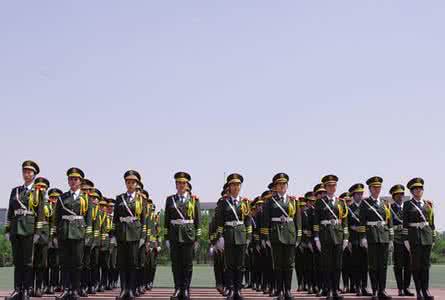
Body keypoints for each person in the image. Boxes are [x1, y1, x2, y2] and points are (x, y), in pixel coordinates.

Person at [5, 160, 44, 300]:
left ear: (34, 175)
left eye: (29, 172)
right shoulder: (15, 191)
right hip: (16, 228)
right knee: (18, 261)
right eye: (24, 171)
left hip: (28, 229)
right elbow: (10, 212)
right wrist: (8, 230)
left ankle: (26, 289)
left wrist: (37, 232)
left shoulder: (38, 192)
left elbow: (40, 214)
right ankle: (17, 289)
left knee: (28, 262)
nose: (26, 174)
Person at [262, 173, 301, 300]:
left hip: (290, 235)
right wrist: (266, 238)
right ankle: (279, 291)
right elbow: (265, 221)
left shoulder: (294, 201)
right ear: (275, 186)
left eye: (284, 184)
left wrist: (298, 237)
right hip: (276, 234)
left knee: (289, 265)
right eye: (279, 184)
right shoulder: (270, 202)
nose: (282, 186)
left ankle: (288, 290)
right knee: (278, 265)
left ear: (287, 185)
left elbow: (298, 222)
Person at [56, 168, 93, 300]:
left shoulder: (86, 199)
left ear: (80, 181)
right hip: (64, 232)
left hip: (78, 233)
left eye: (75, 179)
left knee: (77, 263)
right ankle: (65, 289)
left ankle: (75, 289)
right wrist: (56, 234)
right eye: (71, 179)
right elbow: (57, 218)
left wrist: (88, 235)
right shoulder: (62, 198)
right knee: (65, 263)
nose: (73, 181)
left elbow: (88, 219)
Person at [214, 174, 252, 300]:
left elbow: (248, 221)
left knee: (240, 265)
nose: (235, 187)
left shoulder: (245, 202)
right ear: (229, 187)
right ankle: (230, 289)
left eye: (237, 185)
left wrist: (249, 236)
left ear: (240, 187)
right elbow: (219, 221)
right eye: (233, 185)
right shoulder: (223, 202)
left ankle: (238, 290)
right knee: (229, 265)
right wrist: (220, 237)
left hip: (241, 235)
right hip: (228, 234)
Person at [164, 172, 201, 300]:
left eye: (183, 183)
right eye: (179, 183)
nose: (181, 185)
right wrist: (166, 238)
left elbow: (198, 221)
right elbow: (166, 221)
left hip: (188, 235)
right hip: (174, 235)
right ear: (175, 185)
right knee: (176, 264)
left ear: (187, 185)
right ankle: (177, 288)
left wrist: (197, 238)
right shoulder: (170, 199)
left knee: (187, 264)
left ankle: (185, 289)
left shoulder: (194, 200)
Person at [313, 175, 348, 300]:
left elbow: (344, 221)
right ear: (325, 187)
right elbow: (316, 222)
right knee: (327, 265)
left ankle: (335, 290)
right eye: (329, 186)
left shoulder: (341, 202)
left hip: (338, 236)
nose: (332, 188)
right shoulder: (319, 202)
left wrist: (346, 237)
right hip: (325, 236)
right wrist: (316, 238)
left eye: (334, 185)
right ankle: (328, 290)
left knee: (337, 265)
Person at [359, 176, 393, 300]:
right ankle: (374, 290)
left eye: (379, 187)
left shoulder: (385, 203)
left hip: (383, 236)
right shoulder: (365, 203)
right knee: (373, 265)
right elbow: (362, 221)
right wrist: (363, 237)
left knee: (383, 265)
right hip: (371, 236)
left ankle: (382, 290)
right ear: (370, 189)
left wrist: (391, 238)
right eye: (374, 187)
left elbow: (389, 222)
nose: (377, 189)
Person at [114, 170, 146, 300]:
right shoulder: (119, 198)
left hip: (134, 234)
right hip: (122, 233)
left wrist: (143, 236)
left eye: (133, 182)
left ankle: (131, 290)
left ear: (136, 183)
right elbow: (115, 219)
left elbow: (143, 220)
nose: (130, 184)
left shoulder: (141, 199)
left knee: (133, 263)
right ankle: (123, 289)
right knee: (122, 263)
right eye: (128, 182)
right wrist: (114, 235)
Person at [403, 178, 435, 300]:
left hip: (426, 237)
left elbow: (431, 223)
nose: (418, 191)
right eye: (416, 189)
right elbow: (405, 224)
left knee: (426, 265)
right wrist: (406, 239)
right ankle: (419, 291)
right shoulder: (407, 205)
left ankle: (426, 289)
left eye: (420, 189)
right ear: (411, 191)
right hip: (414, 238)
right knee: (416, 266)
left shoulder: (428, 204)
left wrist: (433, 237)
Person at [347, 183, 371, 297]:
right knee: (356, 265)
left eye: (361, 193)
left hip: (365, 238)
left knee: (365, 265)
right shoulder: (349, 209)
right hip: (354, 239)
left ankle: (364, 286)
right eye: (358, 194)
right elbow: (346, 225)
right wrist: (349, 241)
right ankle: (357, 287)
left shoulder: (366, 206)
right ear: (353, 195)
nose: (360, 195)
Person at [389, 184, 413, 296]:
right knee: (398, 265)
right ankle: (400, 288)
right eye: (397, 195)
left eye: (402, 194)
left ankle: (406, 287)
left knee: (409, 265)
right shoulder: (390, 208)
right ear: (393, 197)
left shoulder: (408, 206)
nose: (400, 197)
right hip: (397, 239)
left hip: (408, 238)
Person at [32, 177, 51, 297]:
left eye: (43, 187)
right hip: (31, 233)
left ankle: (39, 287)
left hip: (44, 235)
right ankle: (29, 287)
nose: (41, 189)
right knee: (30, 262)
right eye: (39, 187)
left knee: (42, 263)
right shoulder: (31, 200)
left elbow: (53, 221)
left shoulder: (50, 203)